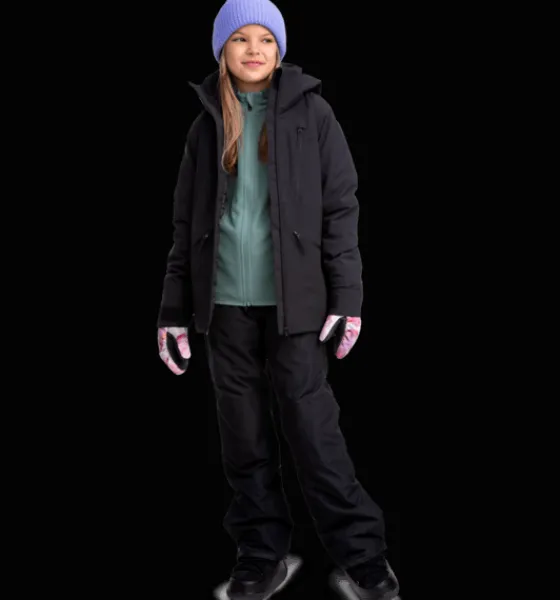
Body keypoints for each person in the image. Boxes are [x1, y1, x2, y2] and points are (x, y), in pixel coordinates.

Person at [157, 1, 400, 598]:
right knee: (242, 436)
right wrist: (173, 311)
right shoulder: (206, 124)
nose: (254, 49)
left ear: (280, 49)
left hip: (298, 312)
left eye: (266, 38)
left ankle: (363, 555)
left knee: (313, 433)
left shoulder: (313, 114)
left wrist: (348, 298)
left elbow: (341, 208)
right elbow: (185, 227)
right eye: (240, 38)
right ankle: (261, 554)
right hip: (223, 309)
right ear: (223, 50)